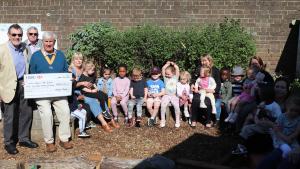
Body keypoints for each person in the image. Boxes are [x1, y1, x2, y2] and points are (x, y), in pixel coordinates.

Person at [30, 31, 72, 152]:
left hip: (58, 93)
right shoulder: (36, 56)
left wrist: (69, 77)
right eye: (46, 41)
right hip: (42, 93)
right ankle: (49, 141)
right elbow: (32, 74)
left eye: (51, 41)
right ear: (43, 42)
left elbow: (65, 71)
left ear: (54, 42)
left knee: (65, 111)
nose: (49, 44)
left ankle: (64, 139)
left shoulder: (60, 55)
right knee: (47, 114)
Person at [0, 24, 38, 155]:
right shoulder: (2, 49)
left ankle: (24, 138)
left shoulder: (24, 48)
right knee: (9, 116)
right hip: (8, 86)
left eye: (19, 35)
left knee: (26, 112)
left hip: (23, 84)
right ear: (9, 36)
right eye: (14, 35)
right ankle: (9, 143)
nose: (17, 37)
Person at [78, 61, 119, 132]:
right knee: (99, 97)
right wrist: (91, 91)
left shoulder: (91, 75)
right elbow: (82, 88)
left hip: (93, 90)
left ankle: (107, 114)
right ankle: (104, 114)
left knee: (104, 95)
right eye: (92, 70)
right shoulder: (82, 77)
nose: (93, 72)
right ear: (87, 69)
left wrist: (96, 88)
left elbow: (93, 83)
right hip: (86, 92)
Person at [160, 61, 181, 128]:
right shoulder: (165, 78)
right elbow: (163, 69)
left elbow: (177, 69)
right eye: (166, 74)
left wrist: (173, 64)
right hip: (166, 95)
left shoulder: (176, 77)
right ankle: (163, 120)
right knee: (163, 106)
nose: (166, 75)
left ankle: (177, 120)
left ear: (173, 73)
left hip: (174, 96)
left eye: (168, 74)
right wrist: (167, 64)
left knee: (177, 107)